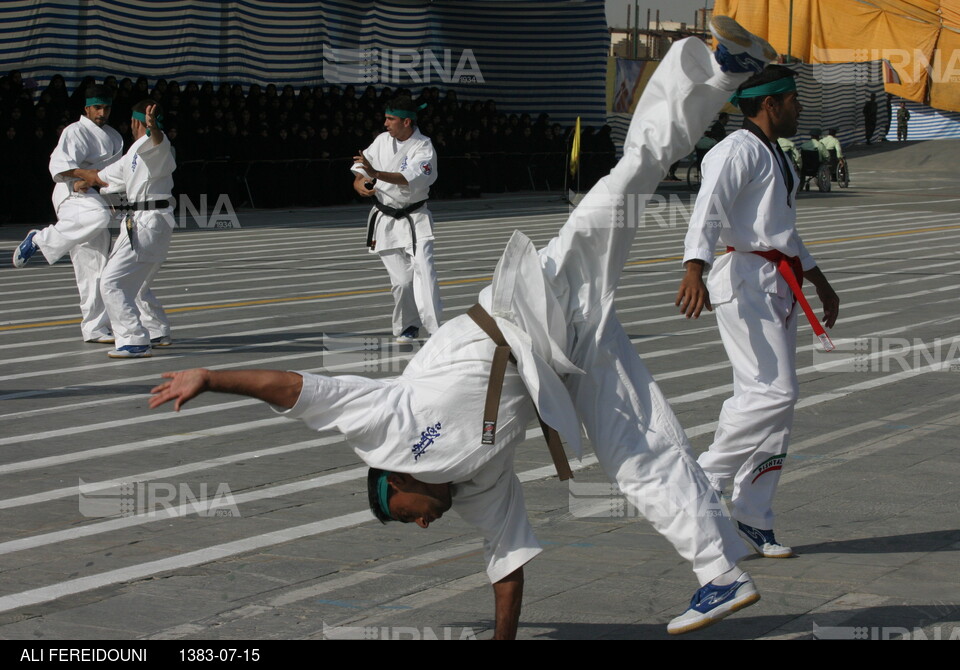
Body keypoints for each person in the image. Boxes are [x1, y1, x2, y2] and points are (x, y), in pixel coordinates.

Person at [152, 16, 776, 638]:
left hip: (531, 305)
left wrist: (211, 377)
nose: (423, 525)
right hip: (566, 360)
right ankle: (719, 571)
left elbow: (295, 389)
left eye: (406, 516)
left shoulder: (384, 425)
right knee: (635, 449)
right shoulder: (478, 486)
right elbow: (505, 569)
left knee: (627, 178)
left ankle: (720, 68)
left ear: (396, 477)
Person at [676, 64, 840, 561]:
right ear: (770, 104)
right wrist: (693, 269)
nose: (800, 107)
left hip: (779, 283)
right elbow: (707, 211)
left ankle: (752, 517)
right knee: (775, 391)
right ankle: (701, 481)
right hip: (746, 282)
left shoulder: (777, 154)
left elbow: (782, 232)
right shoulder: (736, 151)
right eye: (793, 99)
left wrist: (820, 282)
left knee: (776, 408)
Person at [13, 84, 122, 343]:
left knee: (94, 266)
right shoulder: (75, 131)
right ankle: (40, 239)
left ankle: (94, 328)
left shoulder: (115, 136)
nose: (102, 112)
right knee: (99, 217)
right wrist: (84, 177)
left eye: (106, 107)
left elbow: (112, 172)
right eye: (97, 107)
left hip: (97, 197)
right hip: (71, 196)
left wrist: (106, 187)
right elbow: (60, 166)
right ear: (87, 108)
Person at [86, 100, 177, 358]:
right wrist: (82, 179)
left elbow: (158, 141)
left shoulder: (156, 146)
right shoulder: (133, 154)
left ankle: (134, 339)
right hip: (142, 220)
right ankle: (157, 330)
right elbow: (102, 177)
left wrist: (154, 129)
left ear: (134, 122)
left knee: (112, 282)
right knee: (137, 283)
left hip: (150, 220)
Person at [352, 95, 442, 344]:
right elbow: (361, 169)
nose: (385, 123)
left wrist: (375, 173)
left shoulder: (423, 146)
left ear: (406, 121)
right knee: (402, 281)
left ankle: (436, 332)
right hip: (385, 218)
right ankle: (407, 326)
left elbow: (408, 178)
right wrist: (360, 182)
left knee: (425, 271)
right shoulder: (382, 141)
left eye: (390, 119)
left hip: (415, 217)